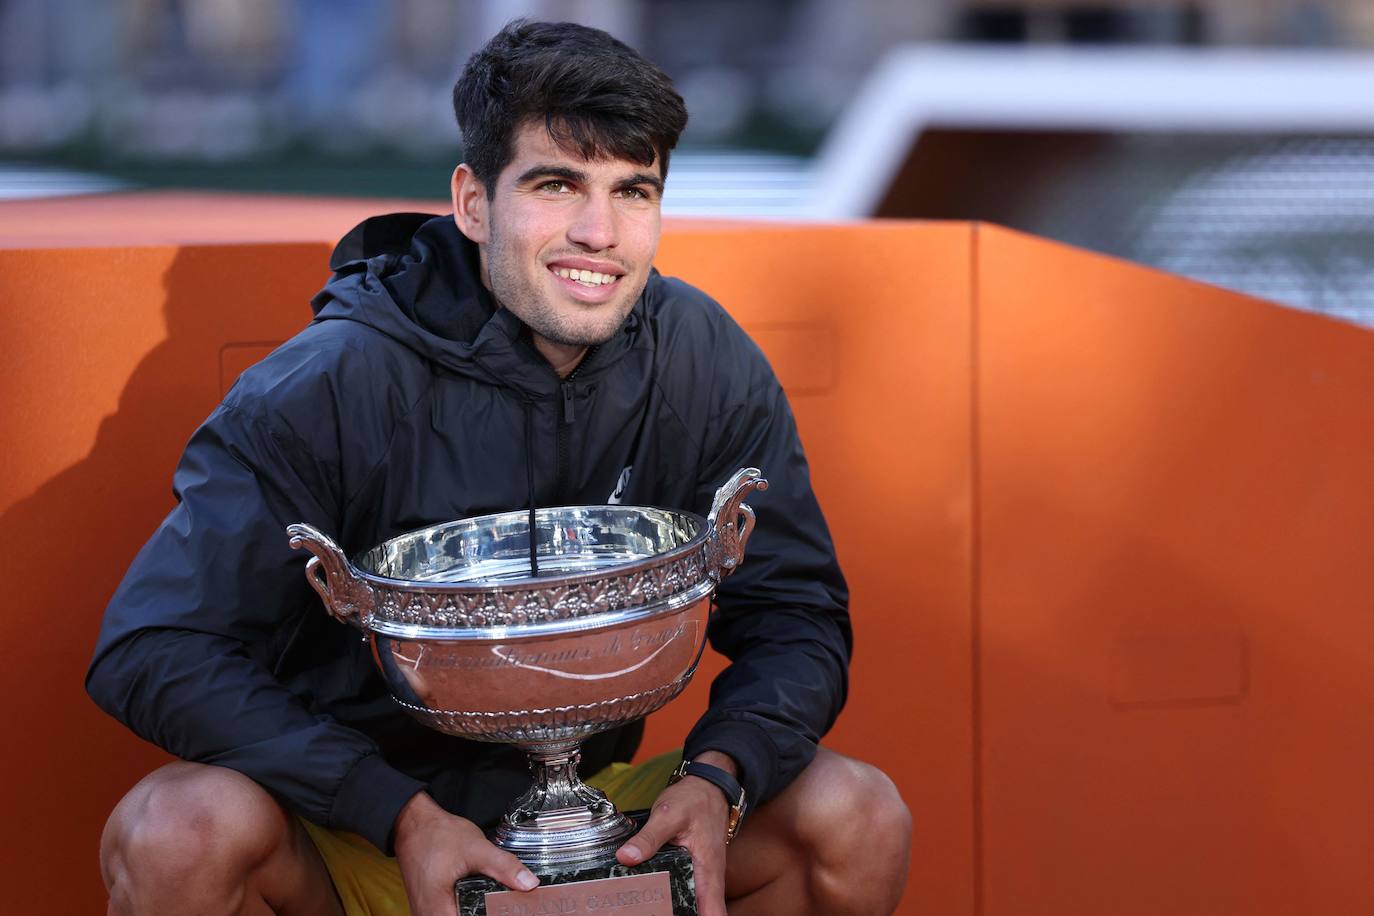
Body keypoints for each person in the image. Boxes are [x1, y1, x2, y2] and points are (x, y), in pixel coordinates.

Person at [88, 19, 912, 916]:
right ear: (474, 203)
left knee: (854, 813)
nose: (600, 233)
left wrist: (721, 779)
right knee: (177, 832)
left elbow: (796, 613)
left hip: (601, 825)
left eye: (634, 192)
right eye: (556, 186)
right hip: (361, 840)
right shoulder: (333, 381)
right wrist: (391, 811)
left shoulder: (701, 357)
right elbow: (152, 646)